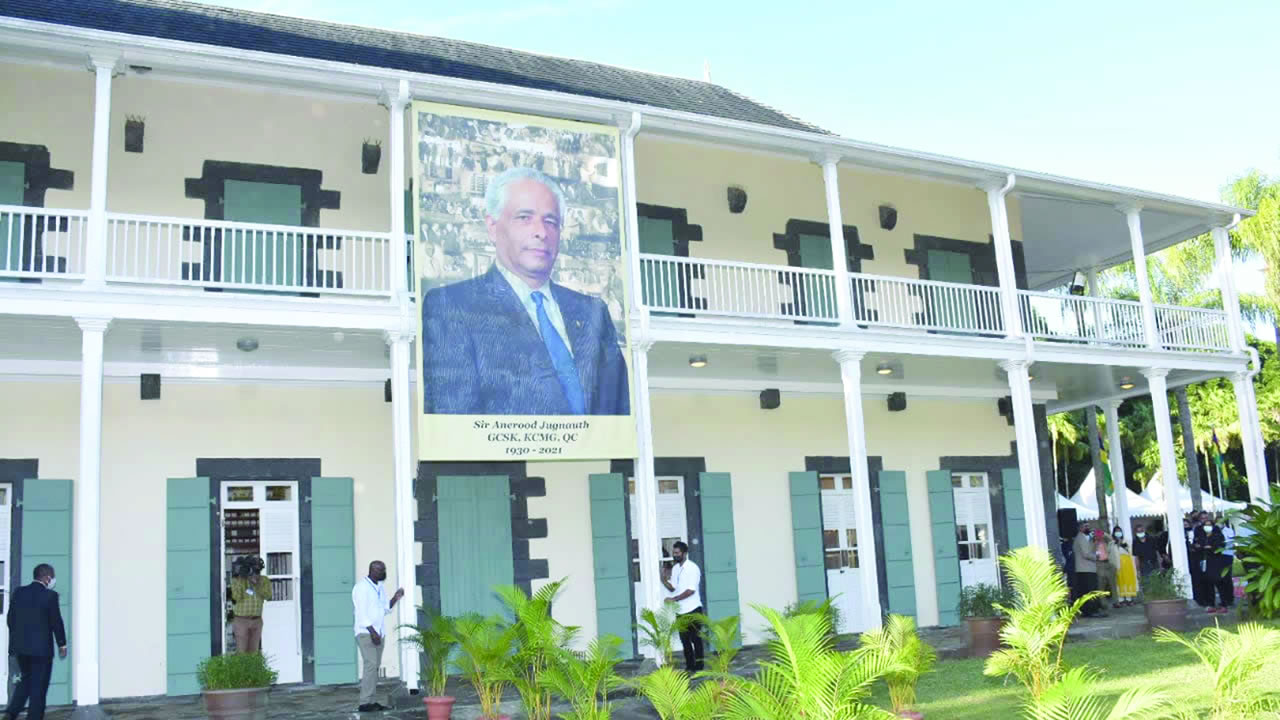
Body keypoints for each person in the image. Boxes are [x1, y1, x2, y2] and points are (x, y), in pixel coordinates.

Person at [421, 167, 630, 416]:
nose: (541, 232)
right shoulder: (451, 307)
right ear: (492, 226)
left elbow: (620, 415)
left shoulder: (593, 313)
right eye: (524, 217)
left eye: (551, 221)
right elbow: (454, 425)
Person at [5, 564, 67, 720]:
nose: (53, 580)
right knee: (38, 689)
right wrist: (62, 644)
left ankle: (11, 713)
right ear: (47, 578)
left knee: (25, 682)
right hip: (41, 652)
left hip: (21, 649)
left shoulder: (19, 592)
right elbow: (56, 622)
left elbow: (10, 619)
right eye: (52, 577)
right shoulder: (50, 596)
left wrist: (19, 639)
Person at [351, 561, 405, 713]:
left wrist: (396, 597)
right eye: (381, 570)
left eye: (384, 569)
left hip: (379, 634)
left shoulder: (379, 587)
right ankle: (364, 703)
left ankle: (371, 701)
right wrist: (373, 632)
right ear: (373, 570)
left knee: (374, 668)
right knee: (371, 665)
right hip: (366, 633)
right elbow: (361, 612)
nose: (384, 572)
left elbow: (384, 609)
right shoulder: (361, 587)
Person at [661, 541, 704, 673]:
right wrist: (663, 580)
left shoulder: (693, 568)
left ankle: (700, 667)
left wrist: (673, 599)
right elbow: (674, 587)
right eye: (674, 553)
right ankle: (690, 666)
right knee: (685, 640)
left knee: (696, 639)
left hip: (693, 609)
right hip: (681, 611)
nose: (675, 555)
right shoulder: (675, 569)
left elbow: (691, 590)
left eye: (677, 553)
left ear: (685, 553)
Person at [229, 556, 271, 654]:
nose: (254, 572)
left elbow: (268, 596)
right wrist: (241, 579)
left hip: (257, 620)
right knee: (241, 652)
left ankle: (252, 669)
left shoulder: (264, 580)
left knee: (254, 652)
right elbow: (236, 597)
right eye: (252, 569)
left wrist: (256, 585)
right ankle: (240, 669)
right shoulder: (237, 580)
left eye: (256, 569)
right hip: (241, 621)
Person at [1072, 523, 1107, 618]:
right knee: (1089, 591)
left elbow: (1090, 550)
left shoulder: (1087, 538)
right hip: (1084, 569)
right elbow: (1086, 554)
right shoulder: (1080, 538)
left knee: (1090, 590)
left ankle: (1090, 610)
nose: (1088, 528)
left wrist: (1095, 542)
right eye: (1085, 526)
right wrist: (1097, 557)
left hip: (1089, 568)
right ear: (1080, 528)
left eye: (1088, 526)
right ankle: (1091, 611)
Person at [1111, 525, 1138, 607]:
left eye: (1119, 531)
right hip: (1118, 563)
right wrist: (1117, 544)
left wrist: (1124, 545)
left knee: (1128, 579)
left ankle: (1129, 599)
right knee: (1120, 580)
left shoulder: (1127, 541)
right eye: (1116, 531)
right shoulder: (1112, 543)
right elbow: (1112, 554)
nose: (1118, 533)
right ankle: (1121, 599)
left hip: (1128, 563)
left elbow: (1131, 551)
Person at [1093, 529, 1118, 608]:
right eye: (1098, 536)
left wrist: (1104, 533)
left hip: (1108, 564)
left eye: (1100, 535)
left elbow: (1111, 539)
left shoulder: (1106, 542)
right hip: (1099, 564)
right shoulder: (1092, 544)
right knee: (1101, 586)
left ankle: (1116, 602)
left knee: (1113, 585)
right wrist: (1095, 542)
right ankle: (1103, 604)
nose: (1099, 537)